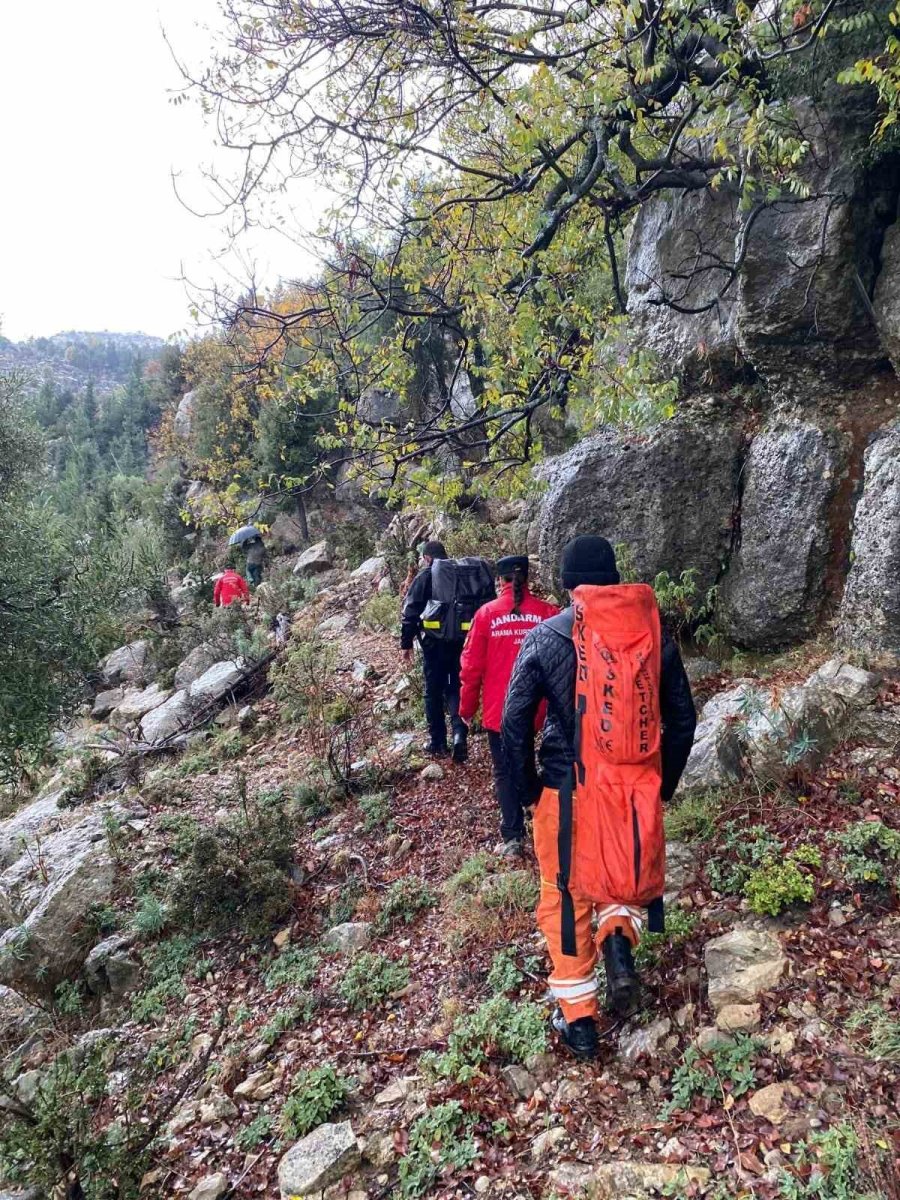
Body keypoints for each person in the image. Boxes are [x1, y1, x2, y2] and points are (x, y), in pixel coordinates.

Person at [501, 536, 696, 1059]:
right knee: (621, 874)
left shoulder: (544, 638)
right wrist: (661, 787)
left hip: (564, 790)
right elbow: (683, 720)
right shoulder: (653, 635)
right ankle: (616, 940)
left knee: (564, 895)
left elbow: (514, 723)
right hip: (630, 791)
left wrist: (528, 791)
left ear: (568, 586)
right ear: (615, 580)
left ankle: (580, 1021)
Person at [459, 556, 559, 858]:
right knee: (539, 763)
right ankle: (544, 821)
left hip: (500, 710)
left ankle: (513, 836)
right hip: (540, 709)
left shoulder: (486, 615)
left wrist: (466, 710)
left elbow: (471, 668)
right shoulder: (548, 613)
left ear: (499, 580)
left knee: (504, 771)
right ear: (527, 578)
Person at [401, 541, 468, 761]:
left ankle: (438, 743)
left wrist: (406, 644)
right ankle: (459, 734)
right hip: (460, 643)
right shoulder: (461, 573)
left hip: (433, 645)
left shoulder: (425, 576)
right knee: (455, 687)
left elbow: (411, 611)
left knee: (433, 692)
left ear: (427, 558)